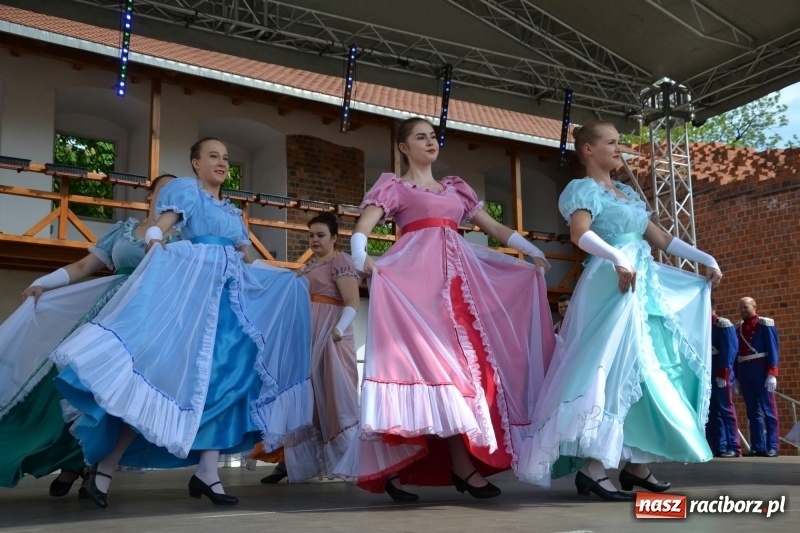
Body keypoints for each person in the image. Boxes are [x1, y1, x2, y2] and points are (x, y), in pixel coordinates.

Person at [51, 138, 312, 508]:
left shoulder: (233, 214)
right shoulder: (188, 194)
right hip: (193, 304)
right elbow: (162, 225)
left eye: (225, 157)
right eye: (213, 156)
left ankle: (208, 472)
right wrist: (155, 242)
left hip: (230, 308)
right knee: (162, 379)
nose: (221, 163)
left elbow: (250, 260)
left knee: (228, 385)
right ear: (195, 163)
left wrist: (285, 277)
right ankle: (105, 470)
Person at [333, 117, 555, 502]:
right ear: (404, 147)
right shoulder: (395, 186)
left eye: (433, 137)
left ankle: (450, 465)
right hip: (416, 291)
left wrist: (532, 249)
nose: (430, 142)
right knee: (435, 377)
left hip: (458, 290)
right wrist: (359, 254)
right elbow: (363, 225)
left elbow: (495, 228)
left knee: (467, 378)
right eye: (421, 137)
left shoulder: (456, 189)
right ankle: (449, 468)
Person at [517, 121, 722, 501]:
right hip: (613, 280)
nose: (619, 148)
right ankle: (594, 468)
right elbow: (581, 235)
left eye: (620, 142)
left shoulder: (626, 192)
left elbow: (660, 238)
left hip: (640, 281)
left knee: (644, 370)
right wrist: (615, 257)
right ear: (588, 150)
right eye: (612, 142)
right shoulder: (582, 189)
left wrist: (704, 257)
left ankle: (634, 463)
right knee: (613, 367)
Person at [0, 174, 180, 494]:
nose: (169, 197)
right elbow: (84, 267)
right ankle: (72, 460)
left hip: (145, 320)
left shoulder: (181, 237)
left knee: (113, 396)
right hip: (107, 314)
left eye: (176, 193)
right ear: (149, 195)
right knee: (74, 386)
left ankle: (93, 465)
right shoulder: (123, 230)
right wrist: (46, 283)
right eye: (163, 190)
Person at [254, 212, 361, 483]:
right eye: (311, 235)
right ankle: (290, 462)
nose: (314, 239)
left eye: (320, 235)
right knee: (304, 398)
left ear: (334, 237)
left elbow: (352, 301)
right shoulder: (309, 266)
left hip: (331, 337)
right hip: (307, 337)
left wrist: (337, 329)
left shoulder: (341, 261)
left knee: (335, 396)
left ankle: (352, 460)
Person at [734, 297, 780, 457]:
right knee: (752, 410)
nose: (742, 310)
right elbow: (736, 354)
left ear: (754, 306)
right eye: (740, 308)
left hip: (761, 369)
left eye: (745, 307)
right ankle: (757, 445)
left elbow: (773, 349)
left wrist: (772, 373)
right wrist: (737, 378)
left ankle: (772, 446)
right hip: (745, 370)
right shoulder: (738, 328)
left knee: (769, 410)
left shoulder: (765, 324)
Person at [706, 298, 741, 458]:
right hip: (708, 371)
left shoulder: (723, 325)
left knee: (726, 409)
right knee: (712, 411)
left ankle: (734, 446)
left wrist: (724, 373)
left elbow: (729, 350)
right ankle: (719, 446)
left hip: (720, 371)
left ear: (713, 306)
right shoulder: (703, 324)